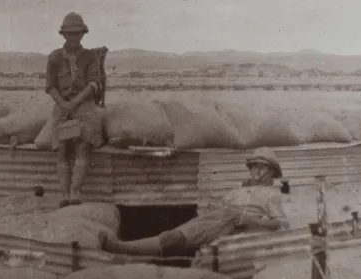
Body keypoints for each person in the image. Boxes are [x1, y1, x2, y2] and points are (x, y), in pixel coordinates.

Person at [101, 147, 290, 256]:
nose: (258, 172)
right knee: (173, 236)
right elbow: (218, 209)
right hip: (221, 221)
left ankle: (122, 248)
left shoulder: (271, 194)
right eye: (255, 167)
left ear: (272, 172)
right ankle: (124, 248)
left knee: (175, 239)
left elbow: (279, 224)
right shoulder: (238, 191)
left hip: (237, 224)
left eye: (264, 168)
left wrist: (251, 220)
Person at [45, 12, 104, 208]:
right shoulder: (54, 58)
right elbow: (51, 86)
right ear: (63, 35)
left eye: (77, 33)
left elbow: (94, 84)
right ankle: (63, 193)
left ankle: (75, 191)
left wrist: (75, 102)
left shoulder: (90, 57)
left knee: (83, 144)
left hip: (84, 105)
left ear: (82, 34)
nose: (73, 37)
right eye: (69, 34)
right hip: (62, 105)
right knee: (60, 149)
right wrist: (63, 103)